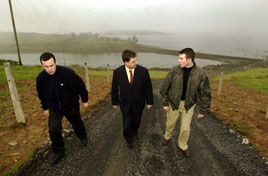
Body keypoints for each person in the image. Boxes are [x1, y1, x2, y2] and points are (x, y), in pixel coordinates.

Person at [36, 52, 89, 165]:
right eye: (46, 66)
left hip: (71, 105)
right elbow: (41, 94)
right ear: (42, 65)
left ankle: (83, 137)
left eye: (51, 65)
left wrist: (84, 99)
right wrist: (45, 108)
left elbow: (80, 85)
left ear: (55, 62)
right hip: (54, 108)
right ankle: (59, 152)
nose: (49, 69)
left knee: (76, 123)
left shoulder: (68, 73)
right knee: (53, 129)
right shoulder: (41, 79)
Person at [160, 48, 211, 158]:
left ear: (189, 59)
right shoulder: (174, 71)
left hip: (189, 105)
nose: (178, 61)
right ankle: (167, 136)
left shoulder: (201, 73)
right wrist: (165, 103)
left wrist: (203, 109)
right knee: (170, 123)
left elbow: (205, 92)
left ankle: (183, 145)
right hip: (173, 103)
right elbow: (164, 88)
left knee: (185, 128)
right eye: (179, 58)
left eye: (181, 58)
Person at [111, 50, 153, 149]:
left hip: (139, 103)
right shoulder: (117, 72)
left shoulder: (143, 71)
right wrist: (114, 102)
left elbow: (148, 87)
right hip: (125, 104)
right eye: (133, 61)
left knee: (136, 122)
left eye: (136, 60)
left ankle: (134, 132)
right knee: (126, 124)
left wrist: (149, 101)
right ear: (126, 62)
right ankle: (129, 139)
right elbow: (114, 88)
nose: (136, 63)